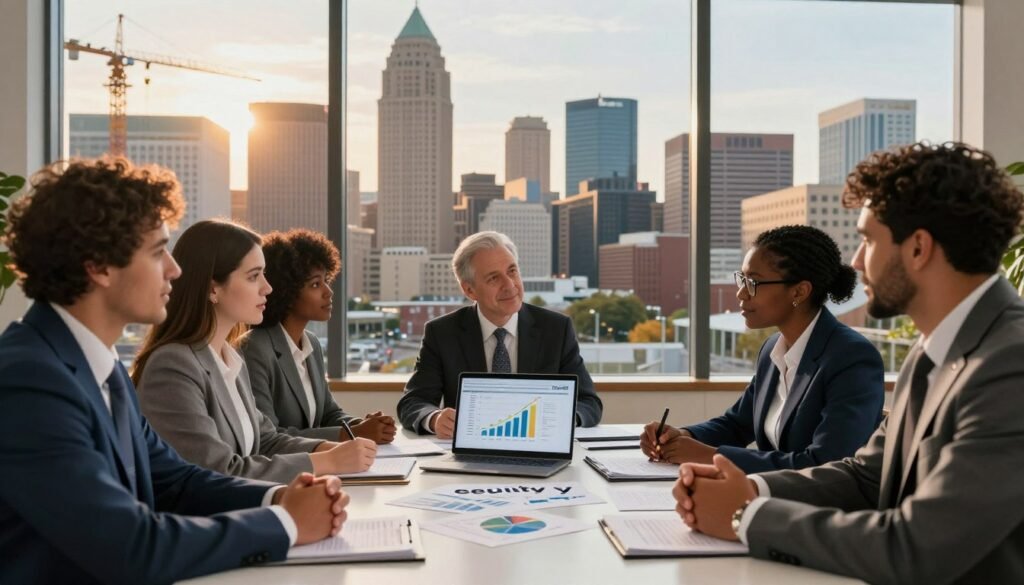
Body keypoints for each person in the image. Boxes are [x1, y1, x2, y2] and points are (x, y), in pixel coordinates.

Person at [673, 142, 1024, 584]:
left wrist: (748, 516)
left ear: (918, 248)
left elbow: (916, 548)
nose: (856, 262)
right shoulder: (933, 350)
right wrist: (750, 489)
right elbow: (864, 476)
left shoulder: (1011, 365)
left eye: (866, 240)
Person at [0, 158, 349, 584]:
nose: (175, 269)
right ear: (99, 266)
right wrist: (287, 523)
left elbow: (177, 481)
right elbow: (131, 546)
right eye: (157, 251)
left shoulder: (100, 365)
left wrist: (281, 496)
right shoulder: (28, 380)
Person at [133, 219, 377, 483]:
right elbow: (217, 471)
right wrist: (326, 461)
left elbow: (266, 440)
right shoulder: (173, 365)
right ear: (213, 287)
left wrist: (330, 449)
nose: (267, 288)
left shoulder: (229, 357)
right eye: (253, 276)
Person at [640, 225, 884, 473]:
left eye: (753, 282)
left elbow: (825, 464)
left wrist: (712, 457)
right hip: (773, 498)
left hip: (821, 507)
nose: (741, 293)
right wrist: (683, 435)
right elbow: (736, 425)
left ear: (799, 291)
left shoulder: (851, 358)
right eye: (742, 279)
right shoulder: (772, 351)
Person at [397, 231, 603, 438]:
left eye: (512, 271)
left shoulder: (556, 329)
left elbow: (588, 403)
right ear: (470, 290)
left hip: (538, 447)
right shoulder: (442, 333)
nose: (509, 285)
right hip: (470, 455)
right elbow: (413, 403)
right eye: (494, 278)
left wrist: (564, 419)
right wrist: (434, 419)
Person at [241, 229, 396, 444]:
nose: (328, 292)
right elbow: (268, 437)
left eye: (326, 280)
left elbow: (328, 414)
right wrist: (352, 434)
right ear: (286, 291)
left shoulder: (310, 342)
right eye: (315, 284)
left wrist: (363, 426)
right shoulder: (255, 348)